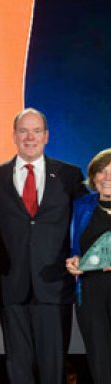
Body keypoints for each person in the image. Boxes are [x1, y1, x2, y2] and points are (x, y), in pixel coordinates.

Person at [0, 107, 87, 384]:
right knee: (17, 365)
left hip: (54, 284)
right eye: (23, 131)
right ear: (14, 136)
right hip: (11, 283)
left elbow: (84, 223)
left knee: (53, 365)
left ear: (46, 136)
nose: (29, 137)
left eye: (36, 131)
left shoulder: (69, 175)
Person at [66, 148, 111, 383]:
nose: (107, 178)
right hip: (91, 290)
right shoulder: (81, 206)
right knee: (99, 355)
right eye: (102, 172)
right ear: (94, 177)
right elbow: (73, 243)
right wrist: (73, 258)